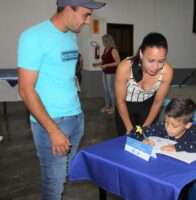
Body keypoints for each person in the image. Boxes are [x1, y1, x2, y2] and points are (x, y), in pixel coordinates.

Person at [17, 0, 106, 199]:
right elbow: (25, 89)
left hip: (75, 118)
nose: (88, 21)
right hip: (53, 123)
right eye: (85, 15)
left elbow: (65, 76)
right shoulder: (34, 37)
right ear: (68, 10)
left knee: (62, 176)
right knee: (53, 184)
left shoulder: (71, 37)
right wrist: (53, 130)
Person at [115, 32, 173, 135]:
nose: (155, 66)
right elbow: (120, 101)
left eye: (161, 61)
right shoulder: (125, 67)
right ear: (141, 54)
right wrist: (129, 129)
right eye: (150, 60)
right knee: (127, 138)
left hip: (148, 106)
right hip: (126, 106)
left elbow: (157, 102)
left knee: (146, 136)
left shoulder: (167, 72)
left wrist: (145, 128)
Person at [129, 97, 196, 153]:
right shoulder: (161, 127)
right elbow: (134, 131)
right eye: (166, 122)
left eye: (174, 126)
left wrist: (178, 147)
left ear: (187, 125)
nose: (168, 128)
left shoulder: (194, 132)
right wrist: (142, 139)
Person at [93, 34, 120, 114]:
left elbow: (118, 62)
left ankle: (114, 107)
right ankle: (107, 106)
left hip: (111, 73)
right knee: (106, 90)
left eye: (103, 41)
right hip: (105, 72)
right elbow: (105, 61)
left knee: (111, 90)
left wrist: (106, 65)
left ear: (107, 41)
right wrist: (98, 64)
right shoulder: (105, 49)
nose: (103, 42)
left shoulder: (113, 50)